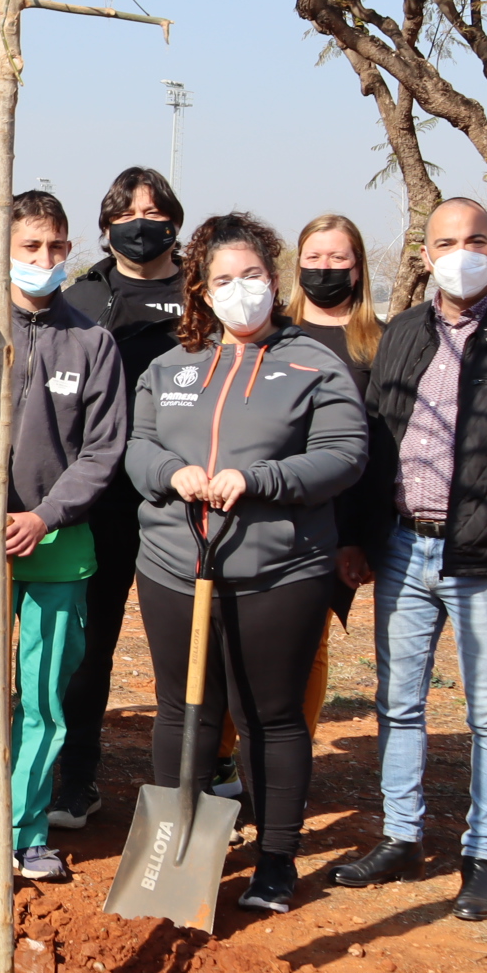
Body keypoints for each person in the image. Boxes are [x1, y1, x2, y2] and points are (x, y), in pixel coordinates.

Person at [334, 198, 487, 923]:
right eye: (446, 241)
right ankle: (402, 838)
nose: (461, 252)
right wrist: (357, 536)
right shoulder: (404, 334)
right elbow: (376, 444)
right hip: (404, 547)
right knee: (398, 703)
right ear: (423, 255)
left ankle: (482, 859)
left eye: (475, 239)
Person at [124, 212, 368, 914]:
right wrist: (172, 473)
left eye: (254, 276)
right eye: (224, 279)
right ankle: (175, 855)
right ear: (200, 288)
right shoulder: (170, 367)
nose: (242, 291)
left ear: (276, 278)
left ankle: (276, 860)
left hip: (280, 570)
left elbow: (344, 454)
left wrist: (261, 480)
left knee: (269, 715)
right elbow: (137, 447)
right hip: (175, 563)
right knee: (183, 707)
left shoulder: (313, 364)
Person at [0, 191, 126, 883]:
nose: (45, 260)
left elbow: (103, 450)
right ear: (5, 252)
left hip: (57, 549)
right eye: (31, 248)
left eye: (56, 247)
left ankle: (26, 829)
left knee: (46, 696)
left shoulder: (91, 341)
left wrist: (45, 516)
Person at [209, 213, 382, 782]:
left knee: (305, 654)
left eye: (339, 259)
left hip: (327, 529)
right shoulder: (268, 334)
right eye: (315, 257)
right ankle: (218, 760)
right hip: (245, 523)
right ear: (294, 267)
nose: (326, 268)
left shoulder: (378, 343)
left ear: (358, 269)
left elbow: (374, 450)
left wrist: (358, 538)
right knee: (228, 650)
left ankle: (280, 772)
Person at [49, 166, 188, 829]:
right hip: (98, 501)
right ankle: (74, 777)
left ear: (175, 221)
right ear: (105, 227)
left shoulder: (201, 295)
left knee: (188, 654)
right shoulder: (80, 296)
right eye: (127, 212)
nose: (142, 223)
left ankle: (197, 785)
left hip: (179, 502)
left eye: (155, 211)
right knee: (88, 646)